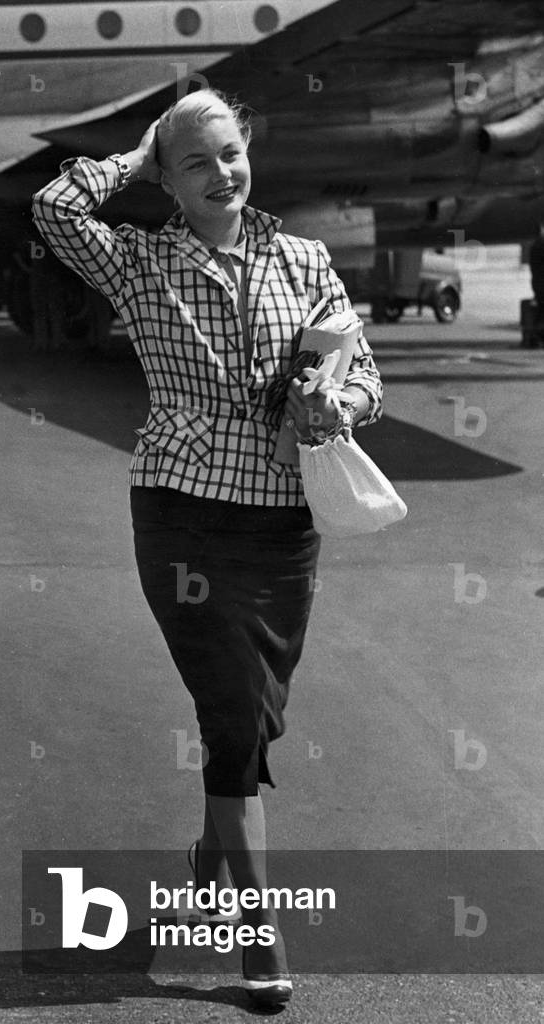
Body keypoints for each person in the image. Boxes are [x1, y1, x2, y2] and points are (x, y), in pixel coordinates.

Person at [32, 88, 383, 1008]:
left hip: (280, 519)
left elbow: (365, 379)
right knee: (231, 713)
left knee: (256, 717)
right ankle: (259, 945)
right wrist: (136, 158)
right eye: (195, 162)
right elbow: (53, 210)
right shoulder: (139, 261)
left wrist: (334, 403)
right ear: (168, 177)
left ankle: (213, 852)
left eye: (229, 152)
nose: (220, 173)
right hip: (181, 511)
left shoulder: (303, 256)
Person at [529, 221, 544, 329]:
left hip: (538, 284)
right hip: (540, 283)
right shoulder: (540, 245)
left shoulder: (535, 245)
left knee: (540, 309)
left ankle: (537, 329)